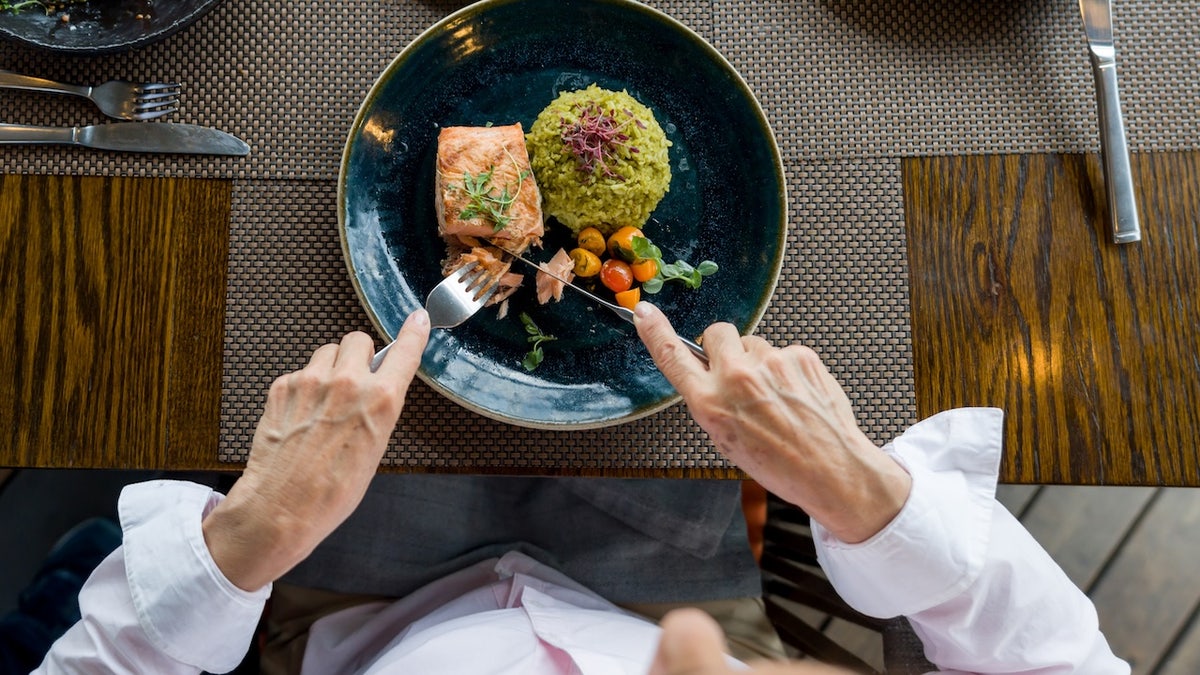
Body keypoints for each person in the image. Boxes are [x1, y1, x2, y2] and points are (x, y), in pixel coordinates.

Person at [33, 303, 1129, 674]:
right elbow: (1053, 662)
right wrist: (875, 497)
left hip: (337, 619)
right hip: (648, 591)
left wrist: (242, 544)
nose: (693, 662)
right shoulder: (693, 641)